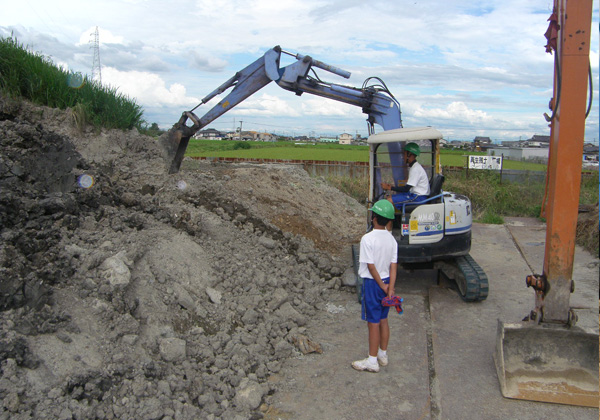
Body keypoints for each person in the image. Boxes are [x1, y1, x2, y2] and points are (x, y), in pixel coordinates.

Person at [352, 199, 398, 373]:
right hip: (386, 282)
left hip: (373, 284)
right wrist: (390, 288)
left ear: (374, 218)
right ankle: (382, 354)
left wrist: (381, 286)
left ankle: (372, 361)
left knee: (373, 323)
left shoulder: (367, 239)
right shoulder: (392, 240)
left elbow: (370, 267)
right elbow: (393, 265)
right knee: (383, 319)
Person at [381, 142, 429, 206]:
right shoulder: (414, 167)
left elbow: (406, 189)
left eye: (404, 154)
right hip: (414, 194)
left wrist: (390, 187)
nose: (403, 156)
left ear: (409, 154)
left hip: (418, 197)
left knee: (389, 200)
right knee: (390, 197)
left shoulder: (416, 169)